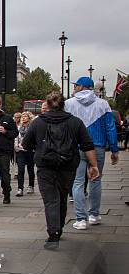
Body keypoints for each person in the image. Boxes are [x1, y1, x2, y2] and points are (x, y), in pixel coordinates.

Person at [22, 91, 99, 249]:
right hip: (68, 165)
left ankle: (53, 234)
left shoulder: (37, 122)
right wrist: (94, 165)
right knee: (62, 196)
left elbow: (26, 144)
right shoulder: (75, 122)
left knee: (50, 199)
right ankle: (60, 227)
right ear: (64, 104)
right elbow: (87, 145)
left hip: (45, 166)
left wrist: (39, 147)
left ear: (47, 104)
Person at [65, 77, 119, 230]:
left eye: (76, 85)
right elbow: (110, 128)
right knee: (96, 180)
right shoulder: (103, 104)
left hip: (77, 147)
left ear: (83, 87)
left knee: (78, 182)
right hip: (98, 146)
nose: (74, 87)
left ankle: (81, 219)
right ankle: (94, 215)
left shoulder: (69, 104)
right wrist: (114, 150)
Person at [14, 112, 35, 196]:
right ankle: (20, 188)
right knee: (21, 170)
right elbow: (16, 138)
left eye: (25, 116)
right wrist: (16, 147)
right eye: (22, 116)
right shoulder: (18, 127)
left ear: (29, 118)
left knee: (30, 169)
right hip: (20, 151)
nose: (23, 118)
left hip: (30, 151)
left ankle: (31, 186)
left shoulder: (32, 127)